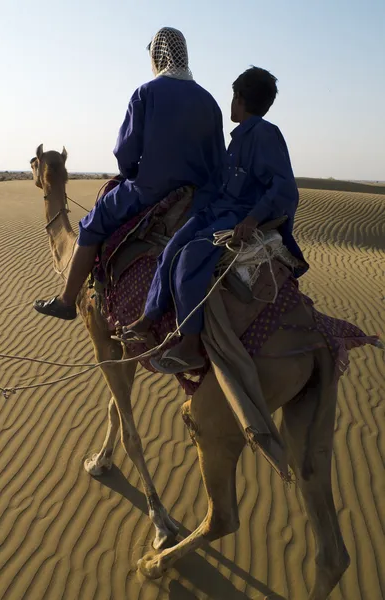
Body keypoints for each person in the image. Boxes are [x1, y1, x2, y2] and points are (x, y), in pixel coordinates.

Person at [121, 66, 309, 373]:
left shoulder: (264, 134)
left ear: (239, 99)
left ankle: (190, 344)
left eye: (233, 97)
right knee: (172, 247)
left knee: (190, 261)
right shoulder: (237, 140)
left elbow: (284, 186)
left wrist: (252, 219)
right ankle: (149, 318)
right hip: (215, 212)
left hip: (235, 217)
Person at [33, 26, 225, 320]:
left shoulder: (146, 93)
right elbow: (217, 157)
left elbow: (125, 152)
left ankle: (67, 300)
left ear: (158, 57)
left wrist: (132, 173)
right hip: (199, 196)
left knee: (91, 225)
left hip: (150, 189)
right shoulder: (208, 100)